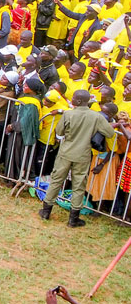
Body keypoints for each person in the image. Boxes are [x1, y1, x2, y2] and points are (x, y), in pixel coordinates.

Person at [38, 90, 116, 227]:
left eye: (73, 97)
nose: (71, 99)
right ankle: (73, 219)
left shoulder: (68, 114)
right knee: (79, 185)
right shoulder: (96, 116)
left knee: (56, 180)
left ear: (79, 101)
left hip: (66, 152)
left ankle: (46, 211)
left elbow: (60, 131)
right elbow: (109, 133)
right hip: (83, 154)